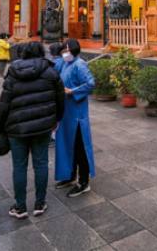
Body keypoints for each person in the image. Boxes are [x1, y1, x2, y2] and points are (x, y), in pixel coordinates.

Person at [0, 42, 65, 219]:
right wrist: (56, 119)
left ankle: (20, 206)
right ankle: (40, 203)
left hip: (16, 128)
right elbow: (60, 99)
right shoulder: (51, 72)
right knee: (41, 163)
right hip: (43, 126)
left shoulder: (12, 73)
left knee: (19, 166)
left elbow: (4, 104)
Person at [55, 39, 96, 198]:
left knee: (80, 147)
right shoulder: (65, 64)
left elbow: (90, 83)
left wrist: (73, 91)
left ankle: (83, 181)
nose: (64, 53)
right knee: (67, 144)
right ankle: (70, 175)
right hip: (66, 112)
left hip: (77, 114)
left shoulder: (80, 64)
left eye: (66, 50)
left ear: (72, 50)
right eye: (62, 51)